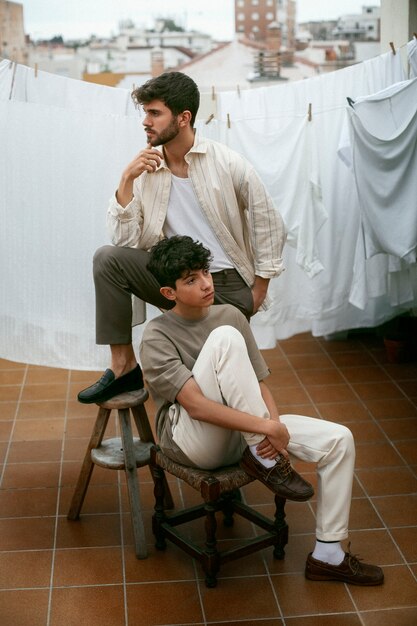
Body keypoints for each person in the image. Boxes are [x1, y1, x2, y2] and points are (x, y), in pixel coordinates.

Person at [139, 235, 384, 586]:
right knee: (225, 339)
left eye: (206, 272)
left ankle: (328, 555)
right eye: (191, 279)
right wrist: (267, 430)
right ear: (169, 293)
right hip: (192, 441)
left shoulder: (229, 315)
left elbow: (259, 384)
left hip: (246, 433)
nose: (206, 283)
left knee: (339, 439)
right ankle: (264, 455)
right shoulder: (157, 335)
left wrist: (274, 424)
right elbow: (195, 406)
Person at [77, 71, 286, 404]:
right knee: (108, 259)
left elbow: (269, 222)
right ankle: (123, 367)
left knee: (214, 380)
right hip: (174, 283)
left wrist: (259, 288)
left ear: (184, 117)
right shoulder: (147, 171)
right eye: (145, 112)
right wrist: (126, 181)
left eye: (155, 113)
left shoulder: (226, 162)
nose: (146, 122)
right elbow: (125, 241)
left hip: (225, 287)